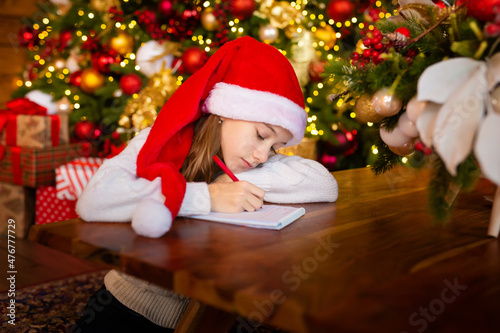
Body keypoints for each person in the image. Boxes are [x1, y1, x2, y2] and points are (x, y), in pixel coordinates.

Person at [73, 36, 338, 332]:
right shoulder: (158, 139)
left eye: (276, 147)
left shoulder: (249, 162)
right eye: (262, 135)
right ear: (227, 112)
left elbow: (324, 184)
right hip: (129, 311)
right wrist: (206, 196)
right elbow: (93, 200)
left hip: (213, 313)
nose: (263, 154)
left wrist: (235, 181)